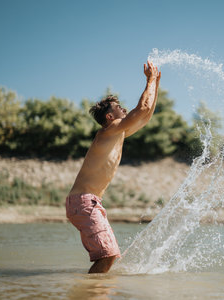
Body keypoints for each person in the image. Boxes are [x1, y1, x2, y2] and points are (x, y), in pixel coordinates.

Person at [66, 61, 161, 273]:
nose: (124, 109)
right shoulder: (108, 132)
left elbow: (145, 116)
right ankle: (91, 294)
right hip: (83, 203)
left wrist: (156, 83)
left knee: (110, 257)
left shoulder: (118, 134)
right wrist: (149, 80)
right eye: (119, 108)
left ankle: (94, 292)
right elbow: (141, 109)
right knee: (107, 256)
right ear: (110, 117)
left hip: (89, 202)